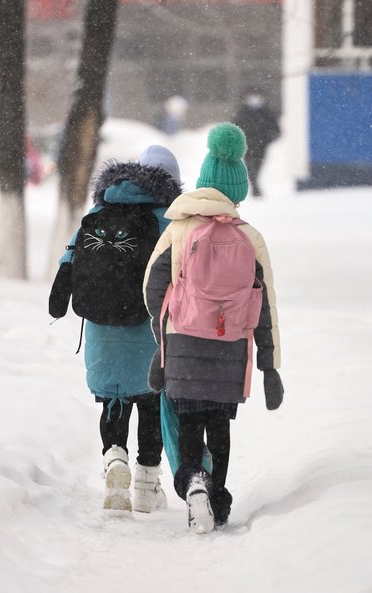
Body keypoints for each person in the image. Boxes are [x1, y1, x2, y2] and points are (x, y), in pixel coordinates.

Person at [143, 123, 283, 533]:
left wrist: (164, 333)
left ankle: (193, 483)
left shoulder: (178, 229)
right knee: (218, 426)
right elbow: (266, 305)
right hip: (231, 347)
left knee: (188, 424)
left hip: (183, 342)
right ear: (237, 190)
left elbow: (152, 285)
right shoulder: (249, 236)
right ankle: (217, 499)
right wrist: (269, 365)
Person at [49, 146, 183, 512]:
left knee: (113, 400)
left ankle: (114, 459)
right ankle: (146, 484)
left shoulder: (100, 210)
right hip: (149, 327)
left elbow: (69, 258)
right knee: (151, 403)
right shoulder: (169, 220)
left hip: (102, 325)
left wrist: (58, 301)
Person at [233, 90, 279, 198]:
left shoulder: (267, 112)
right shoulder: (242, 112)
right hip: (246, 144)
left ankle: (255, 185)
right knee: (249, 166)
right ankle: (255, 186)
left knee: (258, 165)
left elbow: (276, 130)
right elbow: (235, 127)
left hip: (262, 145)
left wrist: (269, 138)